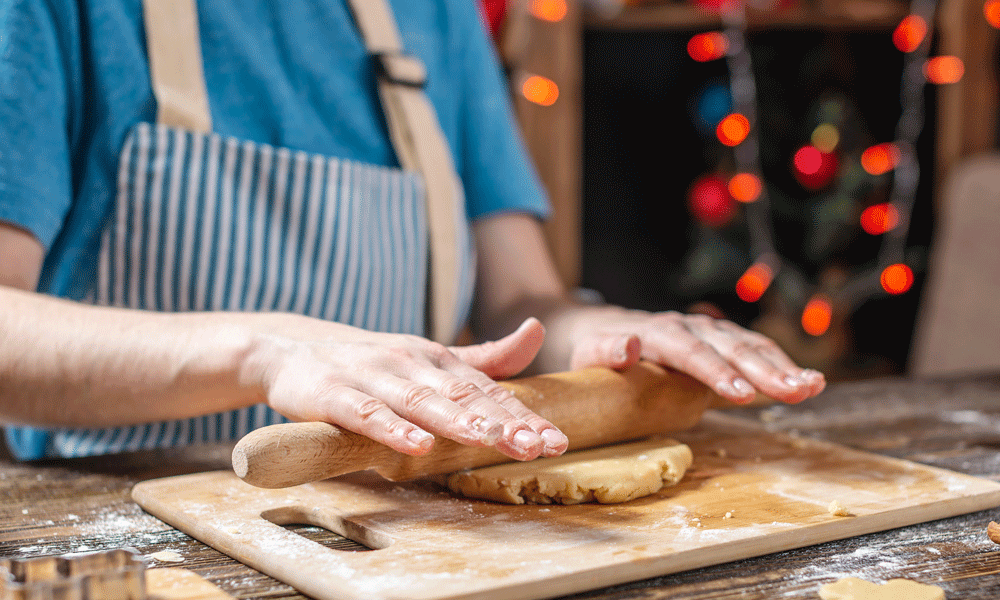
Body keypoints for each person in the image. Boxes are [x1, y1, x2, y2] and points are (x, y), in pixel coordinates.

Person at [0, 0, 824, 462]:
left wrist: (605, 328)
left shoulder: (434, 13)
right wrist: (269, 351)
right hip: (130, 537)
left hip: (405, 540)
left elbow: (523, 297)